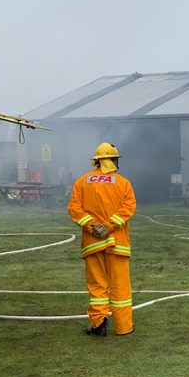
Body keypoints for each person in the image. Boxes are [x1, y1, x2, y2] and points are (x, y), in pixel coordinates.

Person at [68, 142, 137, 337]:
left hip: (92, 243)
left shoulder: (81, 182)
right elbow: (128, 209)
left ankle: (99, 324)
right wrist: (109, 226)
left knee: (97, 285)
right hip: (118, 244)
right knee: (120, 287)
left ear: (97, 161)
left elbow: (75, 209)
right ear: (113, 160)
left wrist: (92, 226)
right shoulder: (123, 183)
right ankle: (124, 327)